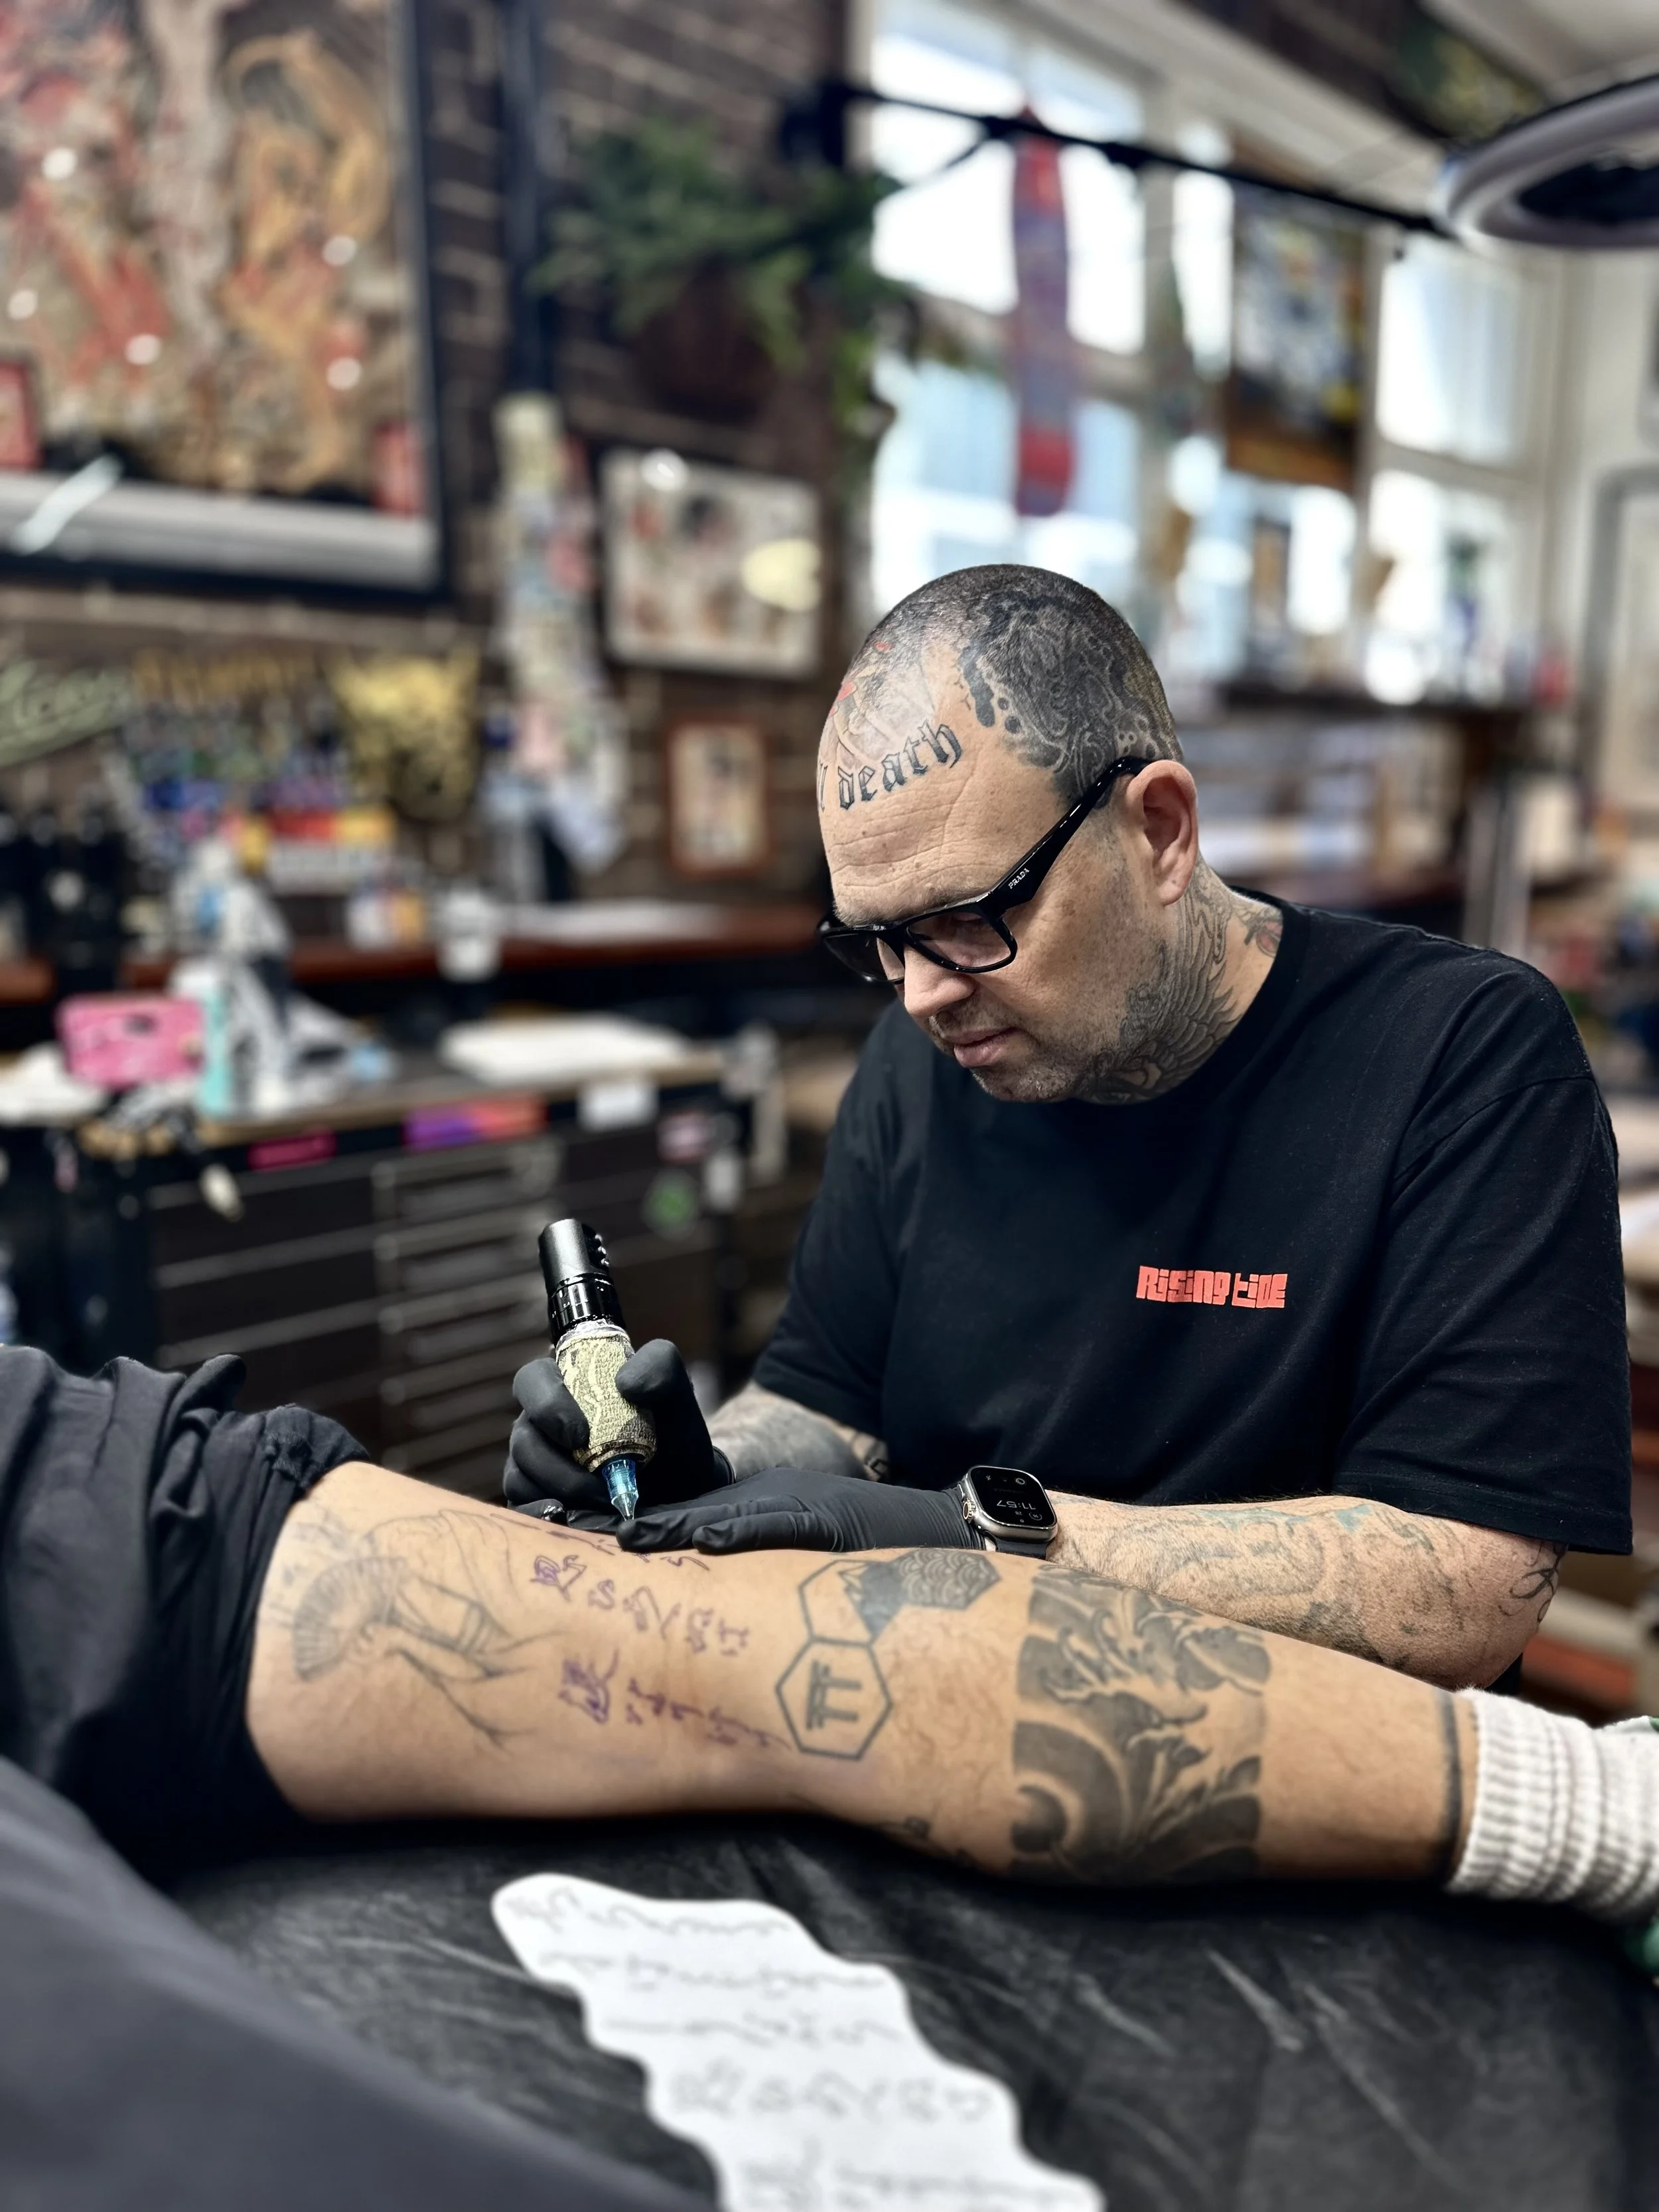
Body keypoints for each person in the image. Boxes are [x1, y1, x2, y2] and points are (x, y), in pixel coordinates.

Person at [504, 565, 1629, 1693]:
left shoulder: (1463, 1061)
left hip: (1296, 1781)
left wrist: (982, 1535)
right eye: (882, 942)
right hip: (944, 1730)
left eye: (968, 918)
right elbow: (824, 1398)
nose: (922, 997)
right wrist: (707, 1470)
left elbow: (1466, 1586)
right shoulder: (922, 1053)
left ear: (1162, 831)